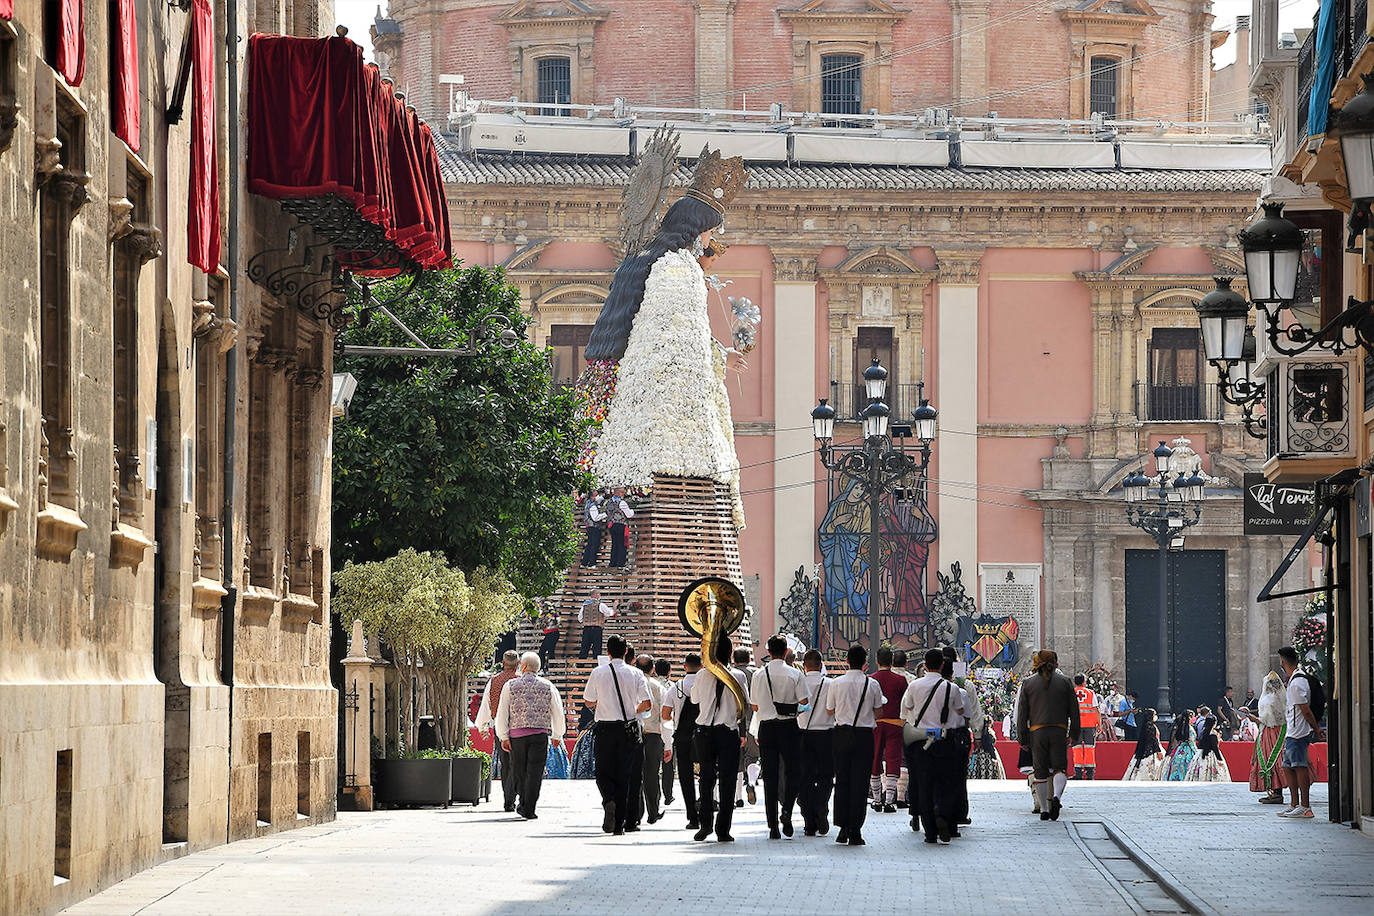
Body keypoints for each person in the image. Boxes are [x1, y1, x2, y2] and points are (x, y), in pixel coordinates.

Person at [583, 151, 750, 530]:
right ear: (694, 229)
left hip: (614, 390)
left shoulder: (641, 260)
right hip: (663, 425)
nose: (709, 244)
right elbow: (677, 347)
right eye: (709, 233)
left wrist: (721, 356)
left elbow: (659, 332)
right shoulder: (678, 269)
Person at [582, 636, 652, 835]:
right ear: (626, 653)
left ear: (608, 652)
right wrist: (632, 710)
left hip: (605, 729)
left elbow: (588, 701)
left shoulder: (598, 672)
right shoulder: (637, 674)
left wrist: (602, 704)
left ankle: (609, 799)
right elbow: (647, 704)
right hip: (629, 729)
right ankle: (620, 824)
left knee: (602, 772)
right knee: (626, 775)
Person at [902, 648, 966, 844]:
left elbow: (906, 709)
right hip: (945, 740)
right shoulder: (952, 688)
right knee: (946, 782)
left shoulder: (914, 686)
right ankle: (943, 814)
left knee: (924, 784)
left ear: (925, 664)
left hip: (921, 740)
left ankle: (929, 831)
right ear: (941, 665)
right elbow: (961, 710)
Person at [691, 637, 750, 842]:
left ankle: (705, 824)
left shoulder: (701, 675)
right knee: (728, 781)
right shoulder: (739, 676)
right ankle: (723, 829)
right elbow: (745, 704)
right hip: (728, 733)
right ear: (729, 654)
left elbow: (694, 700)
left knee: (706, 780)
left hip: (705, 733)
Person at [826, 644, 886, 846]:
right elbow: (879, 713)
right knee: (860, 783)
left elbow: (829, 710)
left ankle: (842, 828)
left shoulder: (836, 683)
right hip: (863, 736)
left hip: (841, 734)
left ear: (847, 661)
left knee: (842, 780)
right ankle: (856, 830)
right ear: (864, 663)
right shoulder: (873, 685)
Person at [494, 653, 566, 820]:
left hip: (517, 736)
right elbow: (557, 711)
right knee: (535, 771)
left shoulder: (510, 685)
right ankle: (529, 806)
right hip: (540, 734)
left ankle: (524, 801)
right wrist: (557, 734)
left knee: (519, 770)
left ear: (523, 666)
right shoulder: (548, 686)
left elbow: (502, 712)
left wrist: (503, 736)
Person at [1015, 649, 1080, 822]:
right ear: (1056, 663)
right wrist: (1074, 733)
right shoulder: (1065, 682)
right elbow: (1074, 711)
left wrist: (1022, 737)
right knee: (1060, 768)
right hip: (1059, 730)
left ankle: (1044, 809)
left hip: (1037, 733)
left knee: (1040, 771)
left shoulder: (1028, 684)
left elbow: (1022, 714)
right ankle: (1056, 797)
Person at [752, 634, 805, 839]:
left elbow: (754, 705)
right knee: (793, 772)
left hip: (766, 727)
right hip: (789, 727)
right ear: (786, 652)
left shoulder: (758, 675)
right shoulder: (795, 674)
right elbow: (804, 700)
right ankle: (787, 812)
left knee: (770, 776)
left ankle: (772, 825)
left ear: (768, 652)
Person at [474, 651, 522, 813]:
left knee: (506, 764)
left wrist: (483, 726)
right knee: (518, 763)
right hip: (519, 726)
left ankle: (508, 799)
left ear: (503, 663)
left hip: (499, 727)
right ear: (518, 663)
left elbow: (486, 704)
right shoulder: (521, 681)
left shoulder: (493, 681)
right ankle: (513, 796)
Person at [1277, 645, 1321, 818]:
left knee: (1299, 766)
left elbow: (1305, 710)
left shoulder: (1297, 683)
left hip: (1298, 732)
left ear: (1283, 662)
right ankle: (1294, 804)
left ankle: (1305, 806)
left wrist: (1316, 728)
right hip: (1292, 732)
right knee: (1287, 767)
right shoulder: (1295, 680)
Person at [797, 649, 835, 836]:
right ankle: (822, 807)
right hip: (826, 735)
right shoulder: (830, 684)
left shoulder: (798, 681)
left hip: (803, 734)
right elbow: (832, 709)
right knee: (826, 776)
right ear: (821, 666)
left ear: (804, 666)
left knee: (805, 778)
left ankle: (808, 820)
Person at [662, 653, 702, 829]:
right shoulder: (706, 685)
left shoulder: (676, 687)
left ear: (685, 667)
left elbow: (665, 714)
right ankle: (706, 808)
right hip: (704, 735)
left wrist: (676, 718)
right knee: (706, 773)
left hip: (683, 736)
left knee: (686, 777)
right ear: (701, 667)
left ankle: (692, 817)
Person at [869, 646, 908, 814]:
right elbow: (905, 704)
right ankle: (890, 801)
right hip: (895, 724)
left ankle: (877, 800)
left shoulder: (871, 679)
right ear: (891, 662)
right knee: (893, 760)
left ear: (877, 661)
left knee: (875, 759)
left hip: (875, 724)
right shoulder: (901, 681)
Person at [733, 647, 761, 807]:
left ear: (734, 659)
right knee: (753, 757)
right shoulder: (757, 673)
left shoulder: (730, 673)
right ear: (749, 659)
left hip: (735, 722)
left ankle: (738, 797)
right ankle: (751, 782)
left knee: (736, 760)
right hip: (754, 722)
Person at [1187, 706, 1231, 782]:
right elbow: (1215, 748)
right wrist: (1219, 759)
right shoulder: (1212, 734)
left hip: (1200, 754)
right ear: (1214, 724)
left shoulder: (1204, 733)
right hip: (1211, 755)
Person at [653, 658, 676, 806]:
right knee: (669, 763)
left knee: (653, 764)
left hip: (652, 728)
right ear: (669, 671)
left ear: (655, 670)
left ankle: (655, 794)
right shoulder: (673, 687)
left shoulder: (651, 685)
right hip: (669, 726)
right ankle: (668, 794)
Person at [1071, 674, 1100, 780]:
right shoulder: (1091, 693)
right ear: (1084, 682)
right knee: (1089, 749)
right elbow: (1096, 710)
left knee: (1077, 749)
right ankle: (1090, 774)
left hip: (1076, 726)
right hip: (1090, 725)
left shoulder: (1071, 693)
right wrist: (1099, 724)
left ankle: (1078, 773)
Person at [1123, 709, 1166, 780]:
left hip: (1150, 749)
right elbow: (1153, 739)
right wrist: (1158, 751)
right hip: (1151, 751)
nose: (1155, 716)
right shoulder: (1149, 726)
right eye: (1154, 714)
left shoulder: (1149, 725)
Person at [578, 590, 614, 659]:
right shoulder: (601, 605)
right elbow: (609, 613)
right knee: (597, 648)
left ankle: (580, 666)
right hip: (596, 629)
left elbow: (579, 618)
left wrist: (587, 622)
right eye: (598, 594)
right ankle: (596, 665)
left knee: (584, 648)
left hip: (586, 629)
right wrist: (614, 608)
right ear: (596, 595)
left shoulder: (584, 605)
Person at [606, 486, 635, 568]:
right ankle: (621, 563)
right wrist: (633, 511)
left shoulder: (609, 502)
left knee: (614, 544)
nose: (623, 494)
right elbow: (629, 514)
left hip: (611, 525)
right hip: (620, 524)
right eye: (622, 492)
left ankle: (612, 563)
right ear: (617, 492)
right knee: (622, 544)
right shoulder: (622, 503)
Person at [1165, 710, 1198, 781]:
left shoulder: (1180, 727)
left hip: (1180, 749)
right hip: (1188, 750)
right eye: (1193, 717)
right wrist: (1196, 752)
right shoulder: (1190, 729)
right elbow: (1191, 742)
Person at [580, 492, 606, 566]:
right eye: (597, 495)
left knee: (589, 544)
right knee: (594, 545)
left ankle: (584, 562)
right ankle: (591, 563)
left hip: (589, 526)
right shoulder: (593, 506)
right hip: (594, 527)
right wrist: (605, 514)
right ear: (593, 496)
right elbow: (595, 518)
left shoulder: (588, 503)